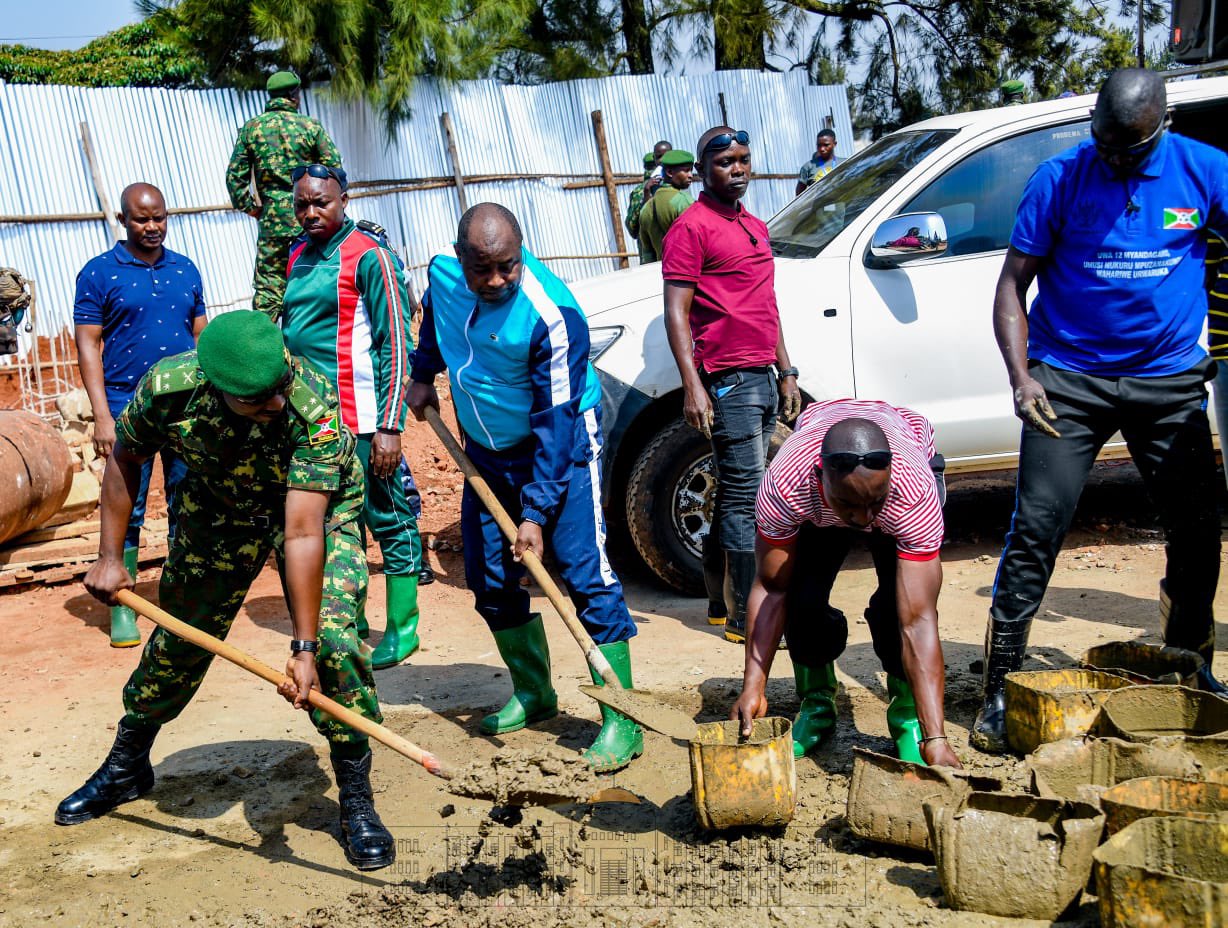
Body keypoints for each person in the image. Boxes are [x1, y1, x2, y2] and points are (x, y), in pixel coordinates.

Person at [56, 310, 395, 872]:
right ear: (217, 388)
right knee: (180, 638)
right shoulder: (169, 388)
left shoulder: (312, 407)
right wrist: (112, 558)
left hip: (319, 515)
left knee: (335, 645)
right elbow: (126, 457)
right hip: (219, 511)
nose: (276, 406)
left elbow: (302, 531)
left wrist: (304, 648)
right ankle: (127, 764)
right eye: (257, 400)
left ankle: (356, 796)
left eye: (278, 390)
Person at [976, 68, 1228, 754]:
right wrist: (1022, 377)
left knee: (1199, 533)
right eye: (1104, 143)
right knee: (1037, 529)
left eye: (1129, 150)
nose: (1113, 158)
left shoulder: (1207, 171)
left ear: (1162, 129)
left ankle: (1185, 672)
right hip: (1071, 384)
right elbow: (1011, 287)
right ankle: (1001, 684)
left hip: (1168, 382)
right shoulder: (1058, 179)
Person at [408, 203, 643, 772]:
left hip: (559, 447)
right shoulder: (443, 278)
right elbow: (437, 326)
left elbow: (556, 423)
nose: (495, 282)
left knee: (585, 573)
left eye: (507, 267)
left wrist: (535, 513)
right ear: (461, 259)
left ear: (521, 254)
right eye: (481, 270)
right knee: (490, 578)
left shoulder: (552, 316)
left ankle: (623, 719)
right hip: (484, 453)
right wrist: (421, 373)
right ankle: (536, 692)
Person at [730, 402, 961, 769]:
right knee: (802, 602)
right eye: (849, 505)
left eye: (874, 503)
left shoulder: (912, 491)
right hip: (815, 502)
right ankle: (817, 703)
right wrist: (753, 686)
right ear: (819, 475)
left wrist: (937, 736)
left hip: (903, 463)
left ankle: (908, 718)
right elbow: (772, 589)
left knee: (893, 609)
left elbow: (918, 620)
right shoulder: (786, 485)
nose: (864, 519)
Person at [279, 163, 425, 671]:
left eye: (321, 202)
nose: (311, 212)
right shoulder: (297, 253)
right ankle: (351, 623)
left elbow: (397, 345)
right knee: (336, 521)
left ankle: (403, 628)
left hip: (362, 417)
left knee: (386, 514)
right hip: (311, 420)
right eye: (302, 204)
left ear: (345, 198)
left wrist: (390, 425)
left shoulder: (369, 256)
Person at [663, 126, 802, 643]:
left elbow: (768, 305)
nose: (738, 169)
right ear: (702, 171)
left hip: (762, 374)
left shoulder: (756, 227)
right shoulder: (691, 228)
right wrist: (691, 384)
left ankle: (719, 604)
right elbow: (675, 312)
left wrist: (785, 370)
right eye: (725, 162)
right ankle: (748, 617)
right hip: (726, 378)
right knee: (747, 495)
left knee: (733, 495)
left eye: (744, 159)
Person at [73, 183, 206, 648]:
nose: (151, 227)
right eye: (141, 219)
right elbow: (88, 344)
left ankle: (178, 602)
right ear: (123, 221)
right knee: (124, 505)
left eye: (159, 218)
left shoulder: (186, 269)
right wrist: (102, 416)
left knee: (186, 500)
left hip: (185, 405)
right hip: (127, 404)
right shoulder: (98, 273)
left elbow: (199, 335)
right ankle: (122, 606)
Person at [226, 71, 342, 319]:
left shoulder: (252, 129)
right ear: (294, 95)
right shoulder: (310, 127)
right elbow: (335, 170)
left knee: (269, 288)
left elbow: (235, 179)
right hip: (311, 218)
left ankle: (263, 348)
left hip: (272, 222)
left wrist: (254, 209)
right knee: (315, 276)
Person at [637, 149, 695, 264]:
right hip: (687, 271)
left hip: (663, 274)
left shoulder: (646, 208)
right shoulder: (684, 202)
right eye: (686, 171)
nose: (691, 176)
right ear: (669, 172)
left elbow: (647, 254)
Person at [795, 129, 843, 196]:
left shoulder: (844, 163)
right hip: (819, 206)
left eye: (826, 145)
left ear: (834, 144)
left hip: (843, 205)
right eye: (819, 145)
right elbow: (799, 196)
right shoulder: (808, 167)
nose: (821, 149)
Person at [624, 152, 657, 243]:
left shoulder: (638, 191)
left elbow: (631, 226)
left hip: (646, 247)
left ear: (645, 167)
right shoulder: (673, 185)